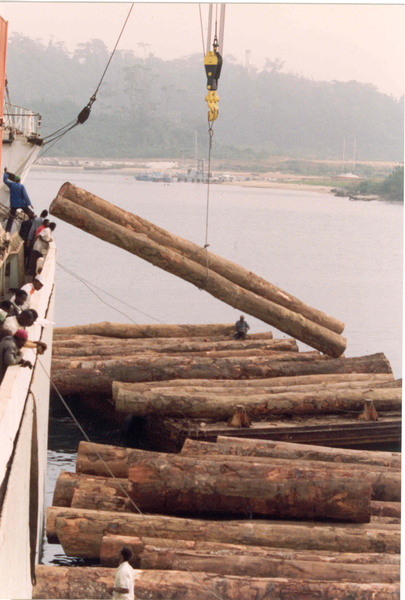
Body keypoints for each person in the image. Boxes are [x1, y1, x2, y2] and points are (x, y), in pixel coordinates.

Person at [3, 168, 35, 233]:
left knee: (11, 218)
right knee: (29, 212)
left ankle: (7, 231)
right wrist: (30, 204)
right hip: (21, 203)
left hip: (14, 204)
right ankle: (34, 220)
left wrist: (5, 173)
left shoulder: (11, 185)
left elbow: (5, 181)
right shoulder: (21, 186)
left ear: (15, 180)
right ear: (20, 180)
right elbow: (25, 195)